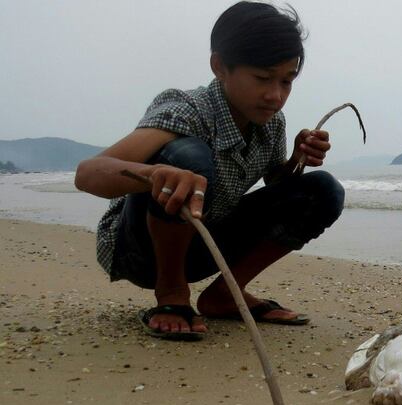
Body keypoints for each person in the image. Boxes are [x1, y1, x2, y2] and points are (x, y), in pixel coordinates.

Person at [75, 1, 344, 341]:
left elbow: (278, 185)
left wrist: (296, 160)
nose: (275, 95)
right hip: (142, 251)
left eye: (286, 81)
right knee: (185, 157)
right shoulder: (187, 109)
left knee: (323, 190)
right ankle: (171, 293)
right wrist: (155, 174)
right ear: (220, 66)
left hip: (204, 244)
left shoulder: (271, 122)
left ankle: (225, 293)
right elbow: (87, 173)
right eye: (262, 78)